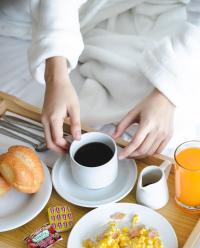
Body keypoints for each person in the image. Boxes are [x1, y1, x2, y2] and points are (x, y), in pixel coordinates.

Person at [1, 0, 200, 158]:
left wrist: (166, 94)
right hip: (77, 8)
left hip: (168, 9)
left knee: (176, 113)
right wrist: (56, 76)